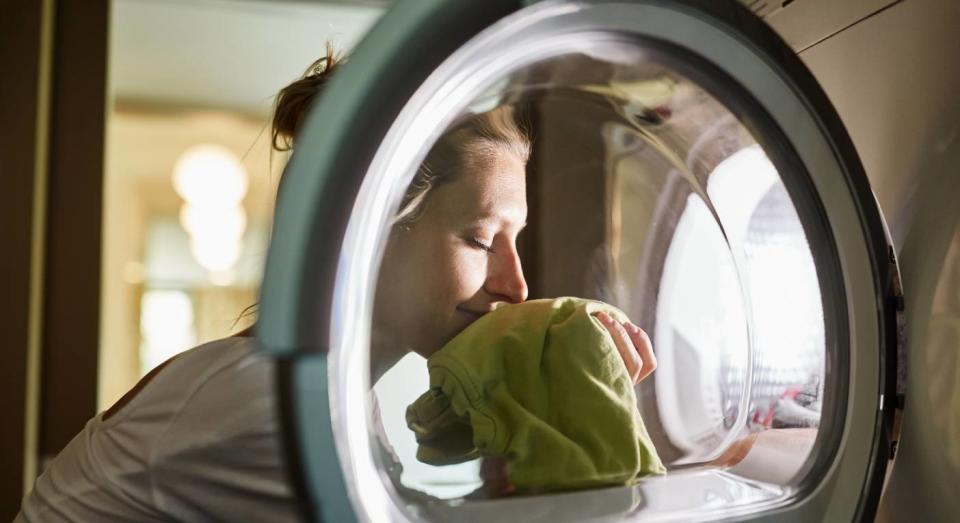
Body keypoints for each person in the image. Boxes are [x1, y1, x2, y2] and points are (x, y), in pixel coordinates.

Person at [16, 47, 657, 522]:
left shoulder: (330, 394)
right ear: (370, 230)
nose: (516, 286)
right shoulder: (274, 401)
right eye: (481, 239)